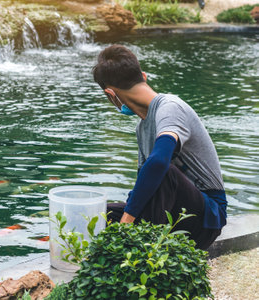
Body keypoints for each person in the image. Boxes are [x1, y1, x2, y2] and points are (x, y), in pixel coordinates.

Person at [93, 44, 226, 250]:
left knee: (163, 172)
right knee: (99, 214)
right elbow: (145, 184)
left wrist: (126, 223)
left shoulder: (170, 107)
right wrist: (121, 216)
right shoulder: (142, 128)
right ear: (143, 76)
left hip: (206, 218)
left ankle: (146, 257)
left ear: (110, 94)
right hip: (170, 209)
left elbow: (158, 163)